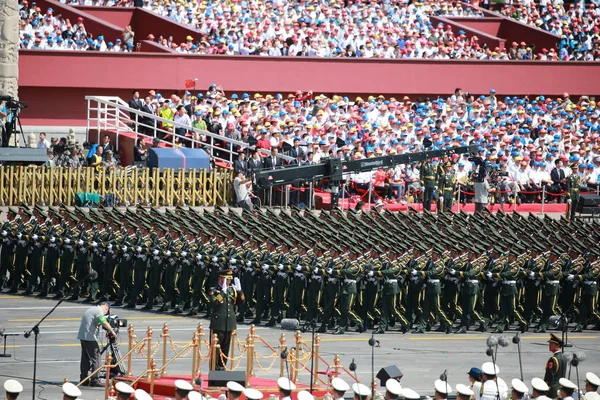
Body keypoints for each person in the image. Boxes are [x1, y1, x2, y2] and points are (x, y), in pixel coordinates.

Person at [209, 269, 244, 370]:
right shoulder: (214, 290)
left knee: (225, 348)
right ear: (220, 278)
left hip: (229, 323)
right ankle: (214, 368)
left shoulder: (231, 290)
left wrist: (239, 290)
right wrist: (223, 293)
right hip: (218, 323)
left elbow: (241, 302)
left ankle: (222, 366)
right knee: (216, 348)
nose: (228, 282)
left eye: (229, 280)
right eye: (226, 279)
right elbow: (214, 303)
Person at [77, 302, 116, 387]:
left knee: (85, 358)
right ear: (106, 308)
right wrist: (112, 331)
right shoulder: (99, 311)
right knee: (96, 358)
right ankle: (95, 380)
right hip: (89, 337)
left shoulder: (92, 309)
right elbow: (103, 322)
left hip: (83, 336)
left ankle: (84, 379)